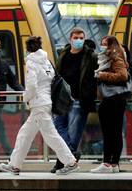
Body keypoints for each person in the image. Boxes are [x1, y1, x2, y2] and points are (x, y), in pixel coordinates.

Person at [0, 36, 79, 175]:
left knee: (51, 136)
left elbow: (31, 86)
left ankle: (70, 162)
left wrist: (25, 98)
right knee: (24, 135)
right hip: (46, 102)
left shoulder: (31, 62)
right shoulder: (46, 61)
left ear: (28, 48)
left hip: (38, 103)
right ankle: (14, 165)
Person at [51, 27, 98, 172]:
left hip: (79, 99)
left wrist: (89, 93)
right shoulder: (63, 54)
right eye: (76, 38)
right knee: (57, 129)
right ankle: (71, 156)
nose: (79, 40)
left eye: (81, 38)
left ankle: (61, 163)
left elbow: (94, 76)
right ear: (70, 39)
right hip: (62, 98)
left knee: (74, 133)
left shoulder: (90, 56)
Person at [90, 36, 128, 173]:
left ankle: (107, 163)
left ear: (111, 45)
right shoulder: (112, 56)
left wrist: (102, 75)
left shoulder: (114, 56)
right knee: (115, 132)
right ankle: (114, 164)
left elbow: (123, 75)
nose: (102, 47)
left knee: (110, 132)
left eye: (105, 44)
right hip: (115, 99)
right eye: (102, 44)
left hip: (112, 99)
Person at [0, 38, 24, 156]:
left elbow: (13, 82)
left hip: (0, 102)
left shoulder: (4, 65)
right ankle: (9, 152)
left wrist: (24, 93)